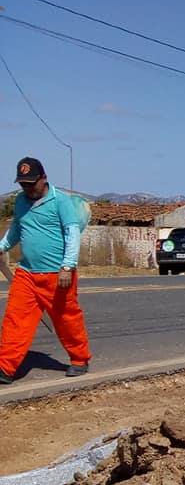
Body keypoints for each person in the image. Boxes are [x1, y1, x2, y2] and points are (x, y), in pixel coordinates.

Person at [0, 157, 91, 384]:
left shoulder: (60, 201)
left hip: (57, 274)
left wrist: (67, 266)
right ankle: (5, 367)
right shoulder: (21, 201)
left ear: (43, 179)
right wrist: (1, 247)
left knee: (66, 319)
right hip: (27, 273)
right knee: (15, 319)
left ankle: (79, 359)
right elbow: (16, 231)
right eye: (23, 184)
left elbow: (72, 234)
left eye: (32, 183)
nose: (28, 188)